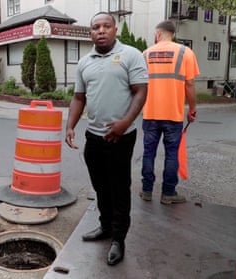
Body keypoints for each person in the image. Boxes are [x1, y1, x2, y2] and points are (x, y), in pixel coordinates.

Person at [65, 12, 148, 266]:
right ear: (90, 32)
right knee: (101, 187)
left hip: (120, 139)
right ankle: (105, 227)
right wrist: (70, 126)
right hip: (94, 137)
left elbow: (141, 90)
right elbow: (79, 98)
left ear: (115, 29)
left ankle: (118, 239)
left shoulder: (131, 55)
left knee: (119, 189)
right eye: (95, 27)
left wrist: (125, 122)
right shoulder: (84, 62)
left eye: (106, 26)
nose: (100, 31)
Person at [140, 20, 199, 205]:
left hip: (150, 113)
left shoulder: (145, 54)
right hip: (173, 115)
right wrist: (193, 109)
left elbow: (138, 85)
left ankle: (147, 191)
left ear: (158, 34)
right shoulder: (185, 53)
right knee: (172, 154)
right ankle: (168, 193)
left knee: (149, 153)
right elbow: (189, 85)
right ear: (172, 33)